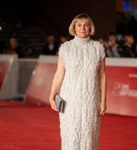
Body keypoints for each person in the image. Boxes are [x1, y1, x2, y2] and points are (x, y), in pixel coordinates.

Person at [49, 13, 107, 150]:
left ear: (90, 27)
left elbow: (102, 76)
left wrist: (103, 100)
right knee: (71, 134)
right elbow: (59, 74)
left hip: (91, 99)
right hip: (70, 99)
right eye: (79, 25)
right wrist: (51, 95)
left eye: (86, 25)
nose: (83, 28)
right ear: (74, 27)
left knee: (89, 134)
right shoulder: (65, 48)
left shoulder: (98, 48)